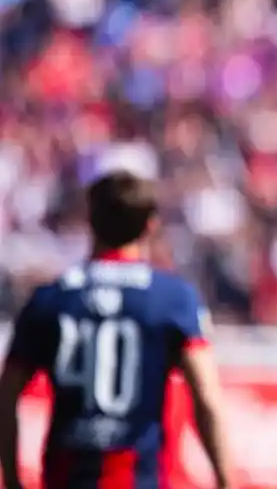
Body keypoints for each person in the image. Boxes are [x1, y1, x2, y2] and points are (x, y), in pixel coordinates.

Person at [0, 171, 232, 489]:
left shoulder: (50, 299)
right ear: (150, 226)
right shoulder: (172, 299)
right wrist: (224, 480)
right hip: (139, 480)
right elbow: (206, 396)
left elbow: (7, 395)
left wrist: (12, 481)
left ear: (90, 220)